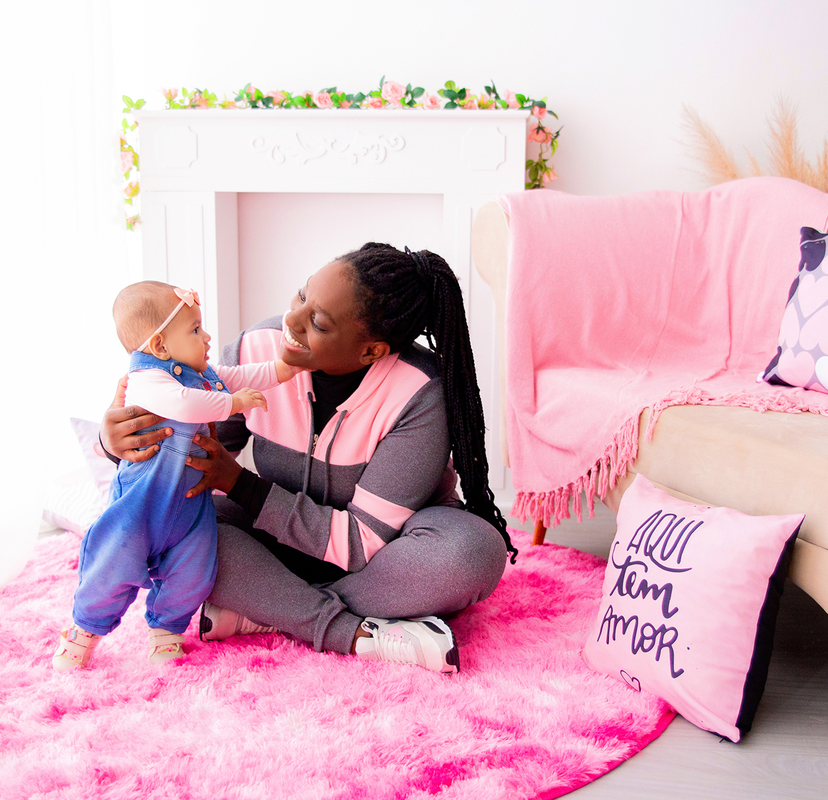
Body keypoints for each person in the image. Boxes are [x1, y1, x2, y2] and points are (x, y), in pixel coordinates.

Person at [100, 244, 517, 674]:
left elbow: (361, 542)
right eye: (302, 296)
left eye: (317, 322)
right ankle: (346, 629)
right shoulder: (255, 350)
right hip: (275, 539)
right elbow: (193, 456)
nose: (292, 321)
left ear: (371, 350)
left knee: (470, 553)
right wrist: (120, 442)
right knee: (176, 529)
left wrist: (240, 483)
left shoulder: (419, 392)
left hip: (385, 554)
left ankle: (266, 607)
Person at [54, 281, 301, 671]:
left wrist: (280, 370)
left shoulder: (200, 375)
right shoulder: (147, 381)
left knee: (194, 570)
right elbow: (182, 404)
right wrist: (232, 404)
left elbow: (236, 375)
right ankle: (84, 631)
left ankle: (167, 631)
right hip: (142, 505)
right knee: (111, 565)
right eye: (194, 330)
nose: (206, 338)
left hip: (188, 507)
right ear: (160, 347)